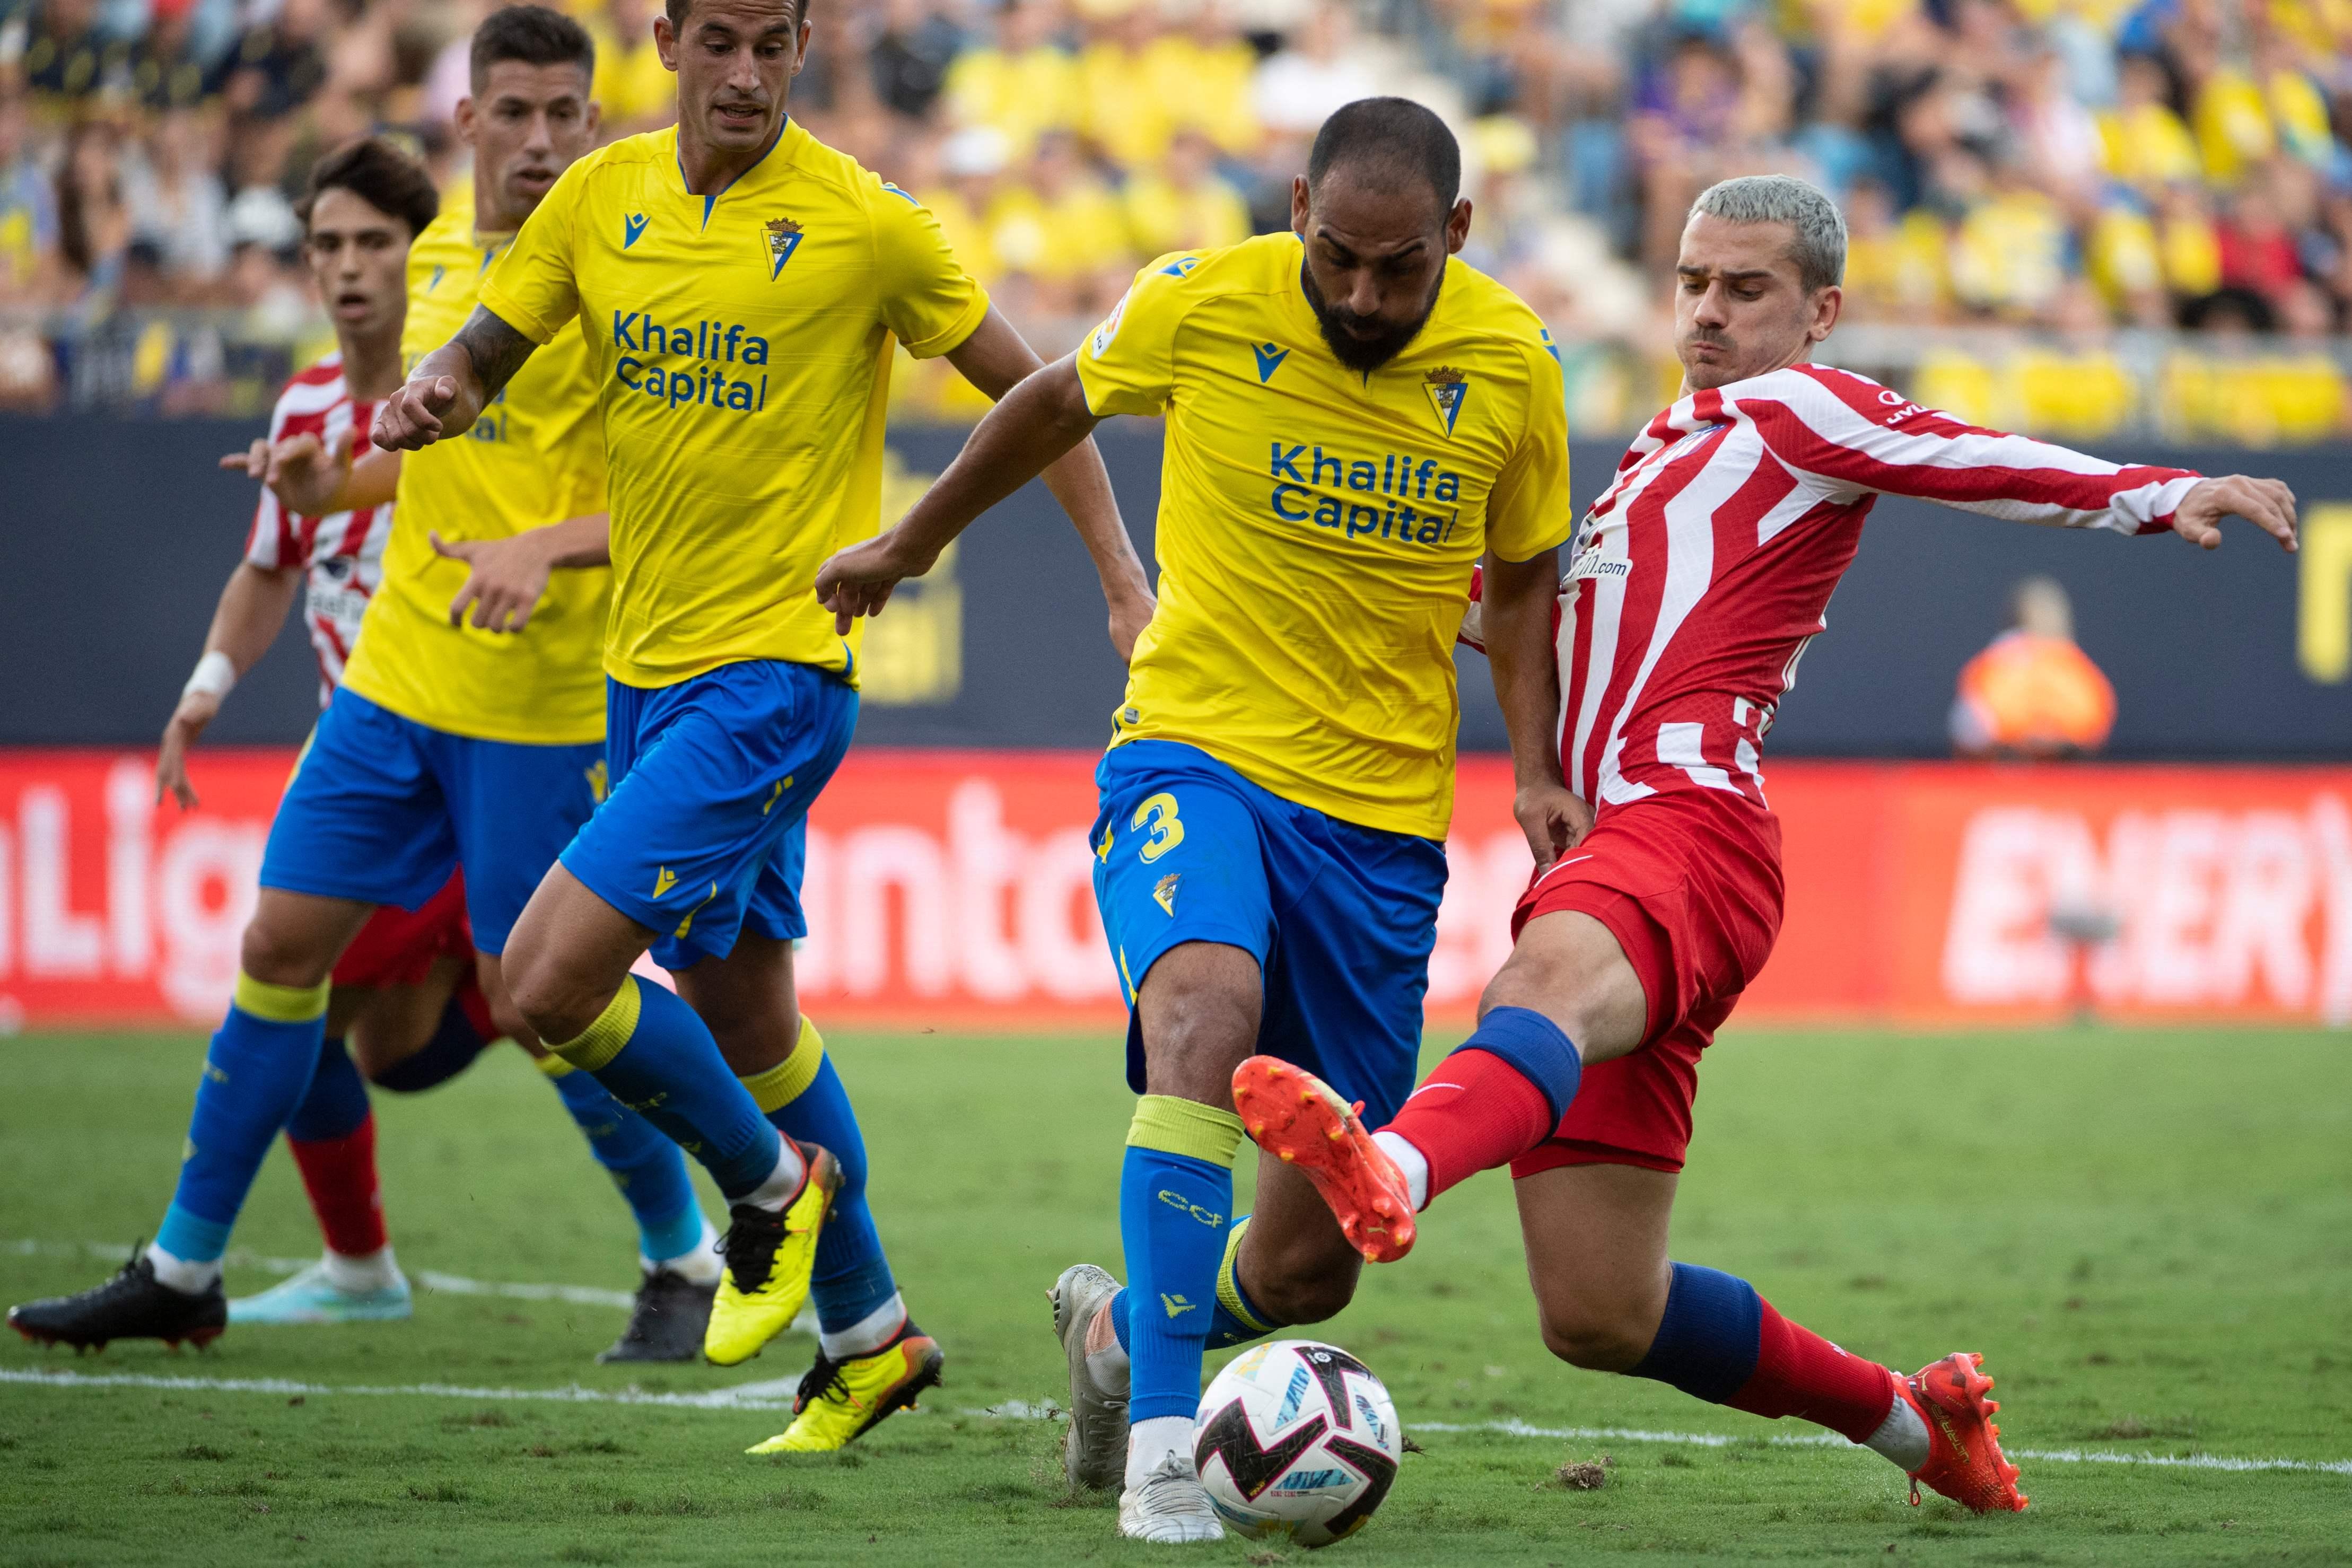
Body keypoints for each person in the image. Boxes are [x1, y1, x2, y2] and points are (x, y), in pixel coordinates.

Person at [1226, 173, 2300, 1517]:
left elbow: (1965, 455)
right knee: (1601, 1312)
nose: (1707, 313)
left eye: (1744, 290)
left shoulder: (1801, 409)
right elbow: (1548, 635)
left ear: (1818, 311)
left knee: (1536, 992)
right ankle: (1919, 1427)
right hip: (1615, 847)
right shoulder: (1660, 450)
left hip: (1690, 832)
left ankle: (1395, 1164)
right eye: (1690, 284)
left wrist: (2156, 490)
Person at [370, 0, 1151, 1450]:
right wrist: (437, 393)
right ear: (664, 41)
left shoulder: (867, 224)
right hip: (646, 672)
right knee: (749, 1016)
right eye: (716, 41)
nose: (743, 73)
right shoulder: (601, 198)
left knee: (539, 984)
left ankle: (771, 1191)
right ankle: (867, 1338)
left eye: (772, 46)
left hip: (774, 677)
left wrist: (1121, 574)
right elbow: (486, 345)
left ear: (806, 48)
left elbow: (1045, 392)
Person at [815, 98, 1573, 1540]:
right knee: (1203, 1015)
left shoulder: (1514, 368)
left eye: (1396, 267)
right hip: (1195, 750)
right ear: (1295, 208)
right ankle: (1169, 1444)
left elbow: (1524, 580)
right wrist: (914, 541)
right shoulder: (1199, 302)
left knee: (1306, 1270)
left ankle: (1113, 1347)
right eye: (1335, 257)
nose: (1357, 295)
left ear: (1458, 236)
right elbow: (1050, 399)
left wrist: (1533, 765)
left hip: (1379, 828)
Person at [4, 10, 722, 1367]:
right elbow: (416, 460)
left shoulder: (640, 281)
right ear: (465, 124)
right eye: (511, 113)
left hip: (542, 709)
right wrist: (321, 486)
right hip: (392, 689)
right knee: (278, 949)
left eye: (565, 114)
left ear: (597, 120)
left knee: (538, 1000)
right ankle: (186, 1266)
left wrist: (548, 547)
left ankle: (684, 1251)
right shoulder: (440, 264)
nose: (540, 140)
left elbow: (691, 505)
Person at [1948, 575, 2117, 757]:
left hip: (2060, 765)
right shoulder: (1996, 666)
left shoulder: (2073, 668)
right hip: (2006, 765)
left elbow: (1968, 732)